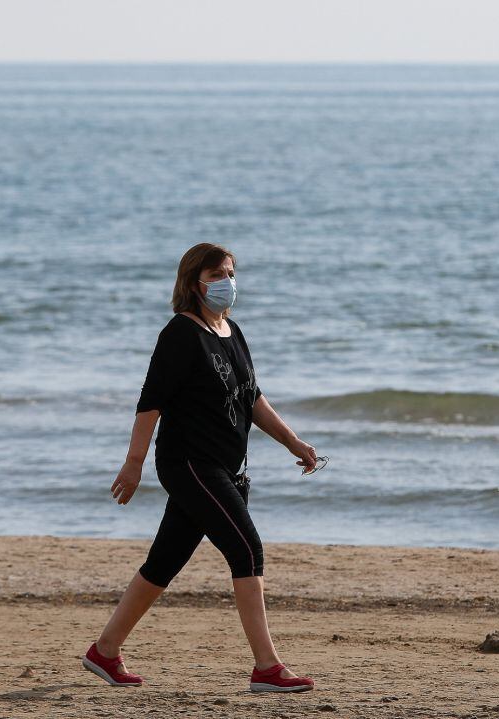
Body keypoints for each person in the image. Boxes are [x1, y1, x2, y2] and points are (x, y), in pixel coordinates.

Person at [81, 243, 318, 693]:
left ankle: (105, 651)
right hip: (190, 464)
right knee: (247, 551)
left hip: (228, 468)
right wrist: (133, 466)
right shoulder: (180, 334)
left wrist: (294, 442)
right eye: (218, 274)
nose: (228, 281)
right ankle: (266, 667)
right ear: (195, 282)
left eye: (231, 272)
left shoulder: (232, 331)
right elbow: (149, 404)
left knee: (164, 561)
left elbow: (251, 398)